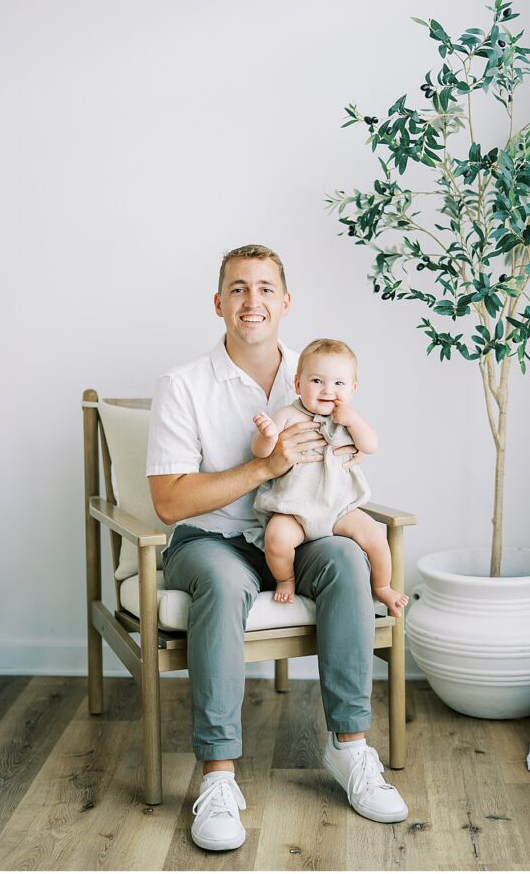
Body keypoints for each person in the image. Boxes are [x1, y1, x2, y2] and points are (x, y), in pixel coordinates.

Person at [147, 244, 408, 853]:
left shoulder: (322, 373)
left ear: (285, 302)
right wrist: (265, 466)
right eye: (238, 288)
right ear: (219, 303)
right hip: (208, 539)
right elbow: (169, 502)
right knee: (224, 579)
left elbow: (353, 454)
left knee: (347, 559)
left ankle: (350, 747)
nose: (252, 300)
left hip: (301, 532)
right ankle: (217, 777)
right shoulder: (183, 385)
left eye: (265, 288)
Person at [250, 338, 410, 618]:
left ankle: (383, 586)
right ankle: (286, 579)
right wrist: (267, 436)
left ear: (352, 389)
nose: (327, 390)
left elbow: (370, 445)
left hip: (339, 509)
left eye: (338, 383)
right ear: (298, 385)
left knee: (374, 535)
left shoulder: (347, 419)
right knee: (276, 537)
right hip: (294, 509)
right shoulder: (288, 414)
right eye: (316, 381)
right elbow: (260, 453)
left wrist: (353, 421)